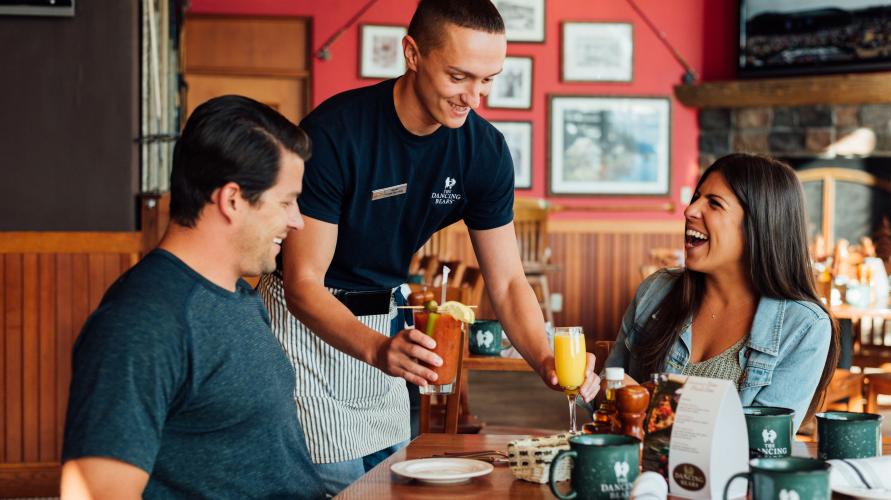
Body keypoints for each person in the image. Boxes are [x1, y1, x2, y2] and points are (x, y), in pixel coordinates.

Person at [257, 0, 598, 494]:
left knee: (391, 481)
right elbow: (303, 283)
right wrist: (377, 348)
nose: (474, 97)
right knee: (337, 483)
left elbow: (506, 282)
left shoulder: (484, 151)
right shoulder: (337, 132)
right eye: (459, 76)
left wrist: (544, 358)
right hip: (308, 329)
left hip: (386, 324)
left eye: (488, 79)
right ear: (412, 54)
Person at [60, 95, 325, 499]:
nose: (297, 220)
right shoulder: (144, 323)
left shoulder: (236, 293)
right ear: (232, 200)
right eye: (286, 202)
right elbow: (96, 494)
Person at [603, 153, 839, 432]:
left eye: (714, 204)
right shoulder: (657, 290)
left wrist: (650, 401)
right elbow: (608, 393)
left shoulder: (805, 327)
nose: (690, 211)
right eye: (697, 197)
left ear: (759, 226)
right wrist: (607, 388)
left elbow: (762, 441)